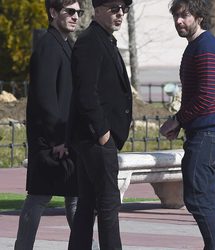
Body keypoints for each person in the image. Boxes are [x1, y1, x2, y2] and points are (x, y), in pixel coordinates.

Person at [160, 0, 215, 249]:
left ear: (198, 17)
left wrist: (177, 119)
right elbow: (197, 96)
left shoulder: (206, 47)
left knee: (199, 197)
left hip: (209, 134)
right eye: (176, 16)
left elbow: (206, 96)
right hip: (204, 132)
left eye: (185, 15)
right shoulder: (196, 46)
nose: (179, 21)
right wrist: (181, 122)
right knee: (204, 196)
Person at [14, 1, 83, 249]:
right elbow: (45, 99)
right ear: (53, 13)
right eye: (70, 11)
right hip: (52, 142)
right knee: (39, 198)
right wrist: (57, 140)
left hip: (65, 138)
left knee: (75, 199)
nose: (76, 17)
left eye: (79, 12)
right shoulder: (48, 47)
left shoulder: (65, 45)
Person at [67, 0, 133, 249]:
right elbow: (86, 93)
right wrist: (103, 132)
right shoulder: (90, 41)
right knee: (107, 204)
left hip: (96, 138)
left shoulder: (104, 39)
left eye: (124, 10)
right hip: (96, 140)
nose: (120, 14)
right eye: (114, 8)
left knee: (88, 204)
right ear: (97, 9)